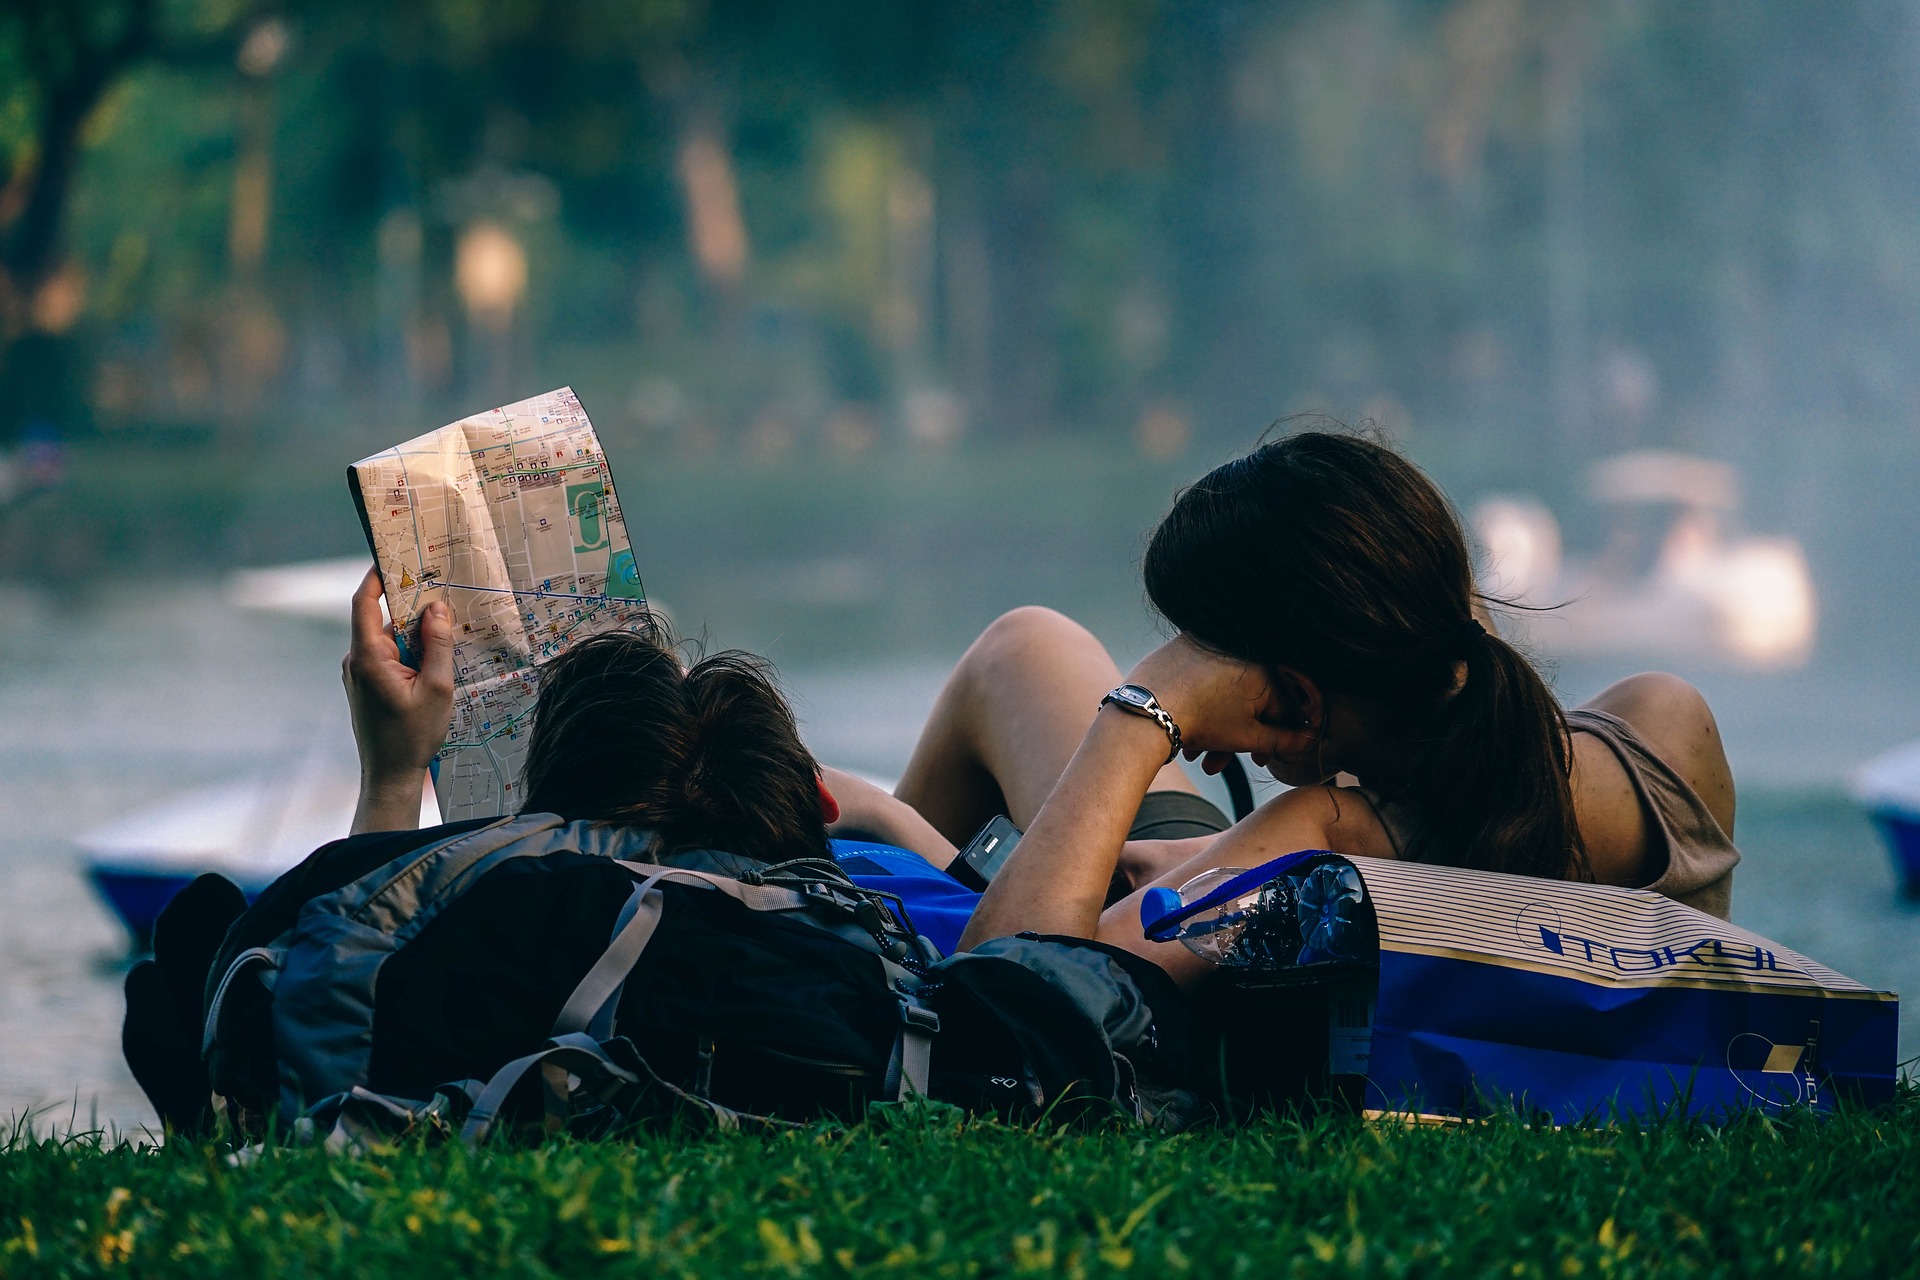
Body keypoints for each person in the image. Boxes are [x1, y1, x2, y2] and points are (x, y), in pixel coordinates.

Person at [948, 431, 1740, 987]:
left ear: (1297, 695)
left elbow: (1014, 988)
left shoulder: (1320, 836)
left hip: (1186, 912)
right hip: (1251, 839)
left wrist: (1146, 709)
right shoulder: (1666, 729)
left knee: (1021, 648)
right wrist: (1229, 837)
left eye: (1204, 657)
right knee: (1023, 655)